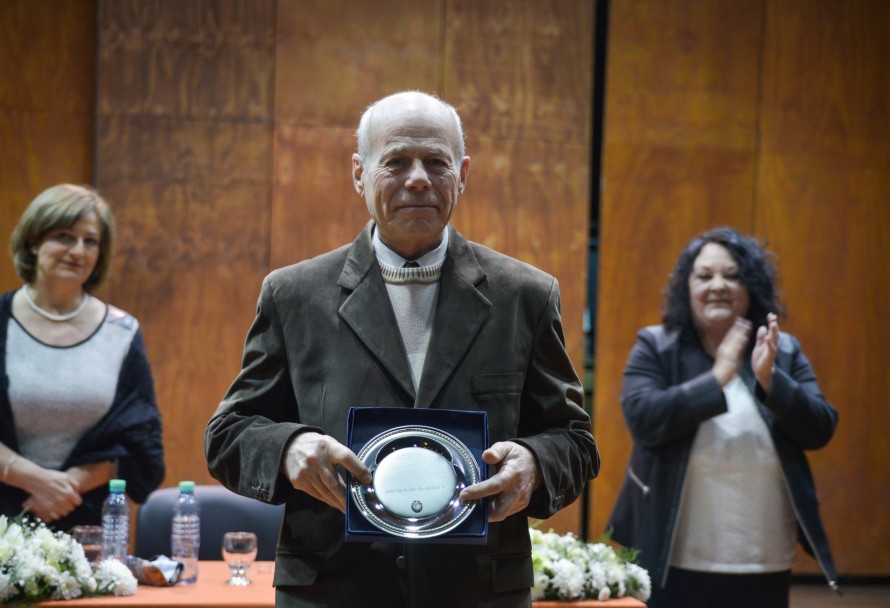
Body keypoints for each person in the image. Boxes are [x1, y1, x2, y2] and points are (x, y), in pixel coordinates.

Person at [205, 90, 600, 608]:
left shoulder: (523, 295)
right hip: (332, 589)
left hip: (477, 590)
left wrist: (533, 462)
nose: (418, 178)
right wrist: (288, 449)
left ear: (462, 175)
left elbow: (574, 440)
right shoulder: (294, 294)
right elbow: (229, 433)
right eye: (396, 161)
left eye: (436, 162)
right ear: (358, 173)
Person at [608, 227, 839, 608]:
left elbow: (820, 428)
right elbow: (644, 419)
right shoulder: (655, 346)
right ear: (687, 288)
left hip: (764, 558)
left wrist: (771, 381)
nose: (718, 285)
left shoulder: (783, 351)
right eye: (705, 276)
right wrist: (717, 378)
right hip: (673, 559)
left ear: (752, 288)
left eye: (732, 276)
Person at [0, 184, 165, 532]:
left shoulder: (122, 332)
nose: (77, 251)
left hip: (88, 529)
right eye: (64, 236)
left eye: (90, 241)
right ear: (33, 241)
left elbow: (141, 445)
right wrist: (34, 480)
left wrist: (65, 486)